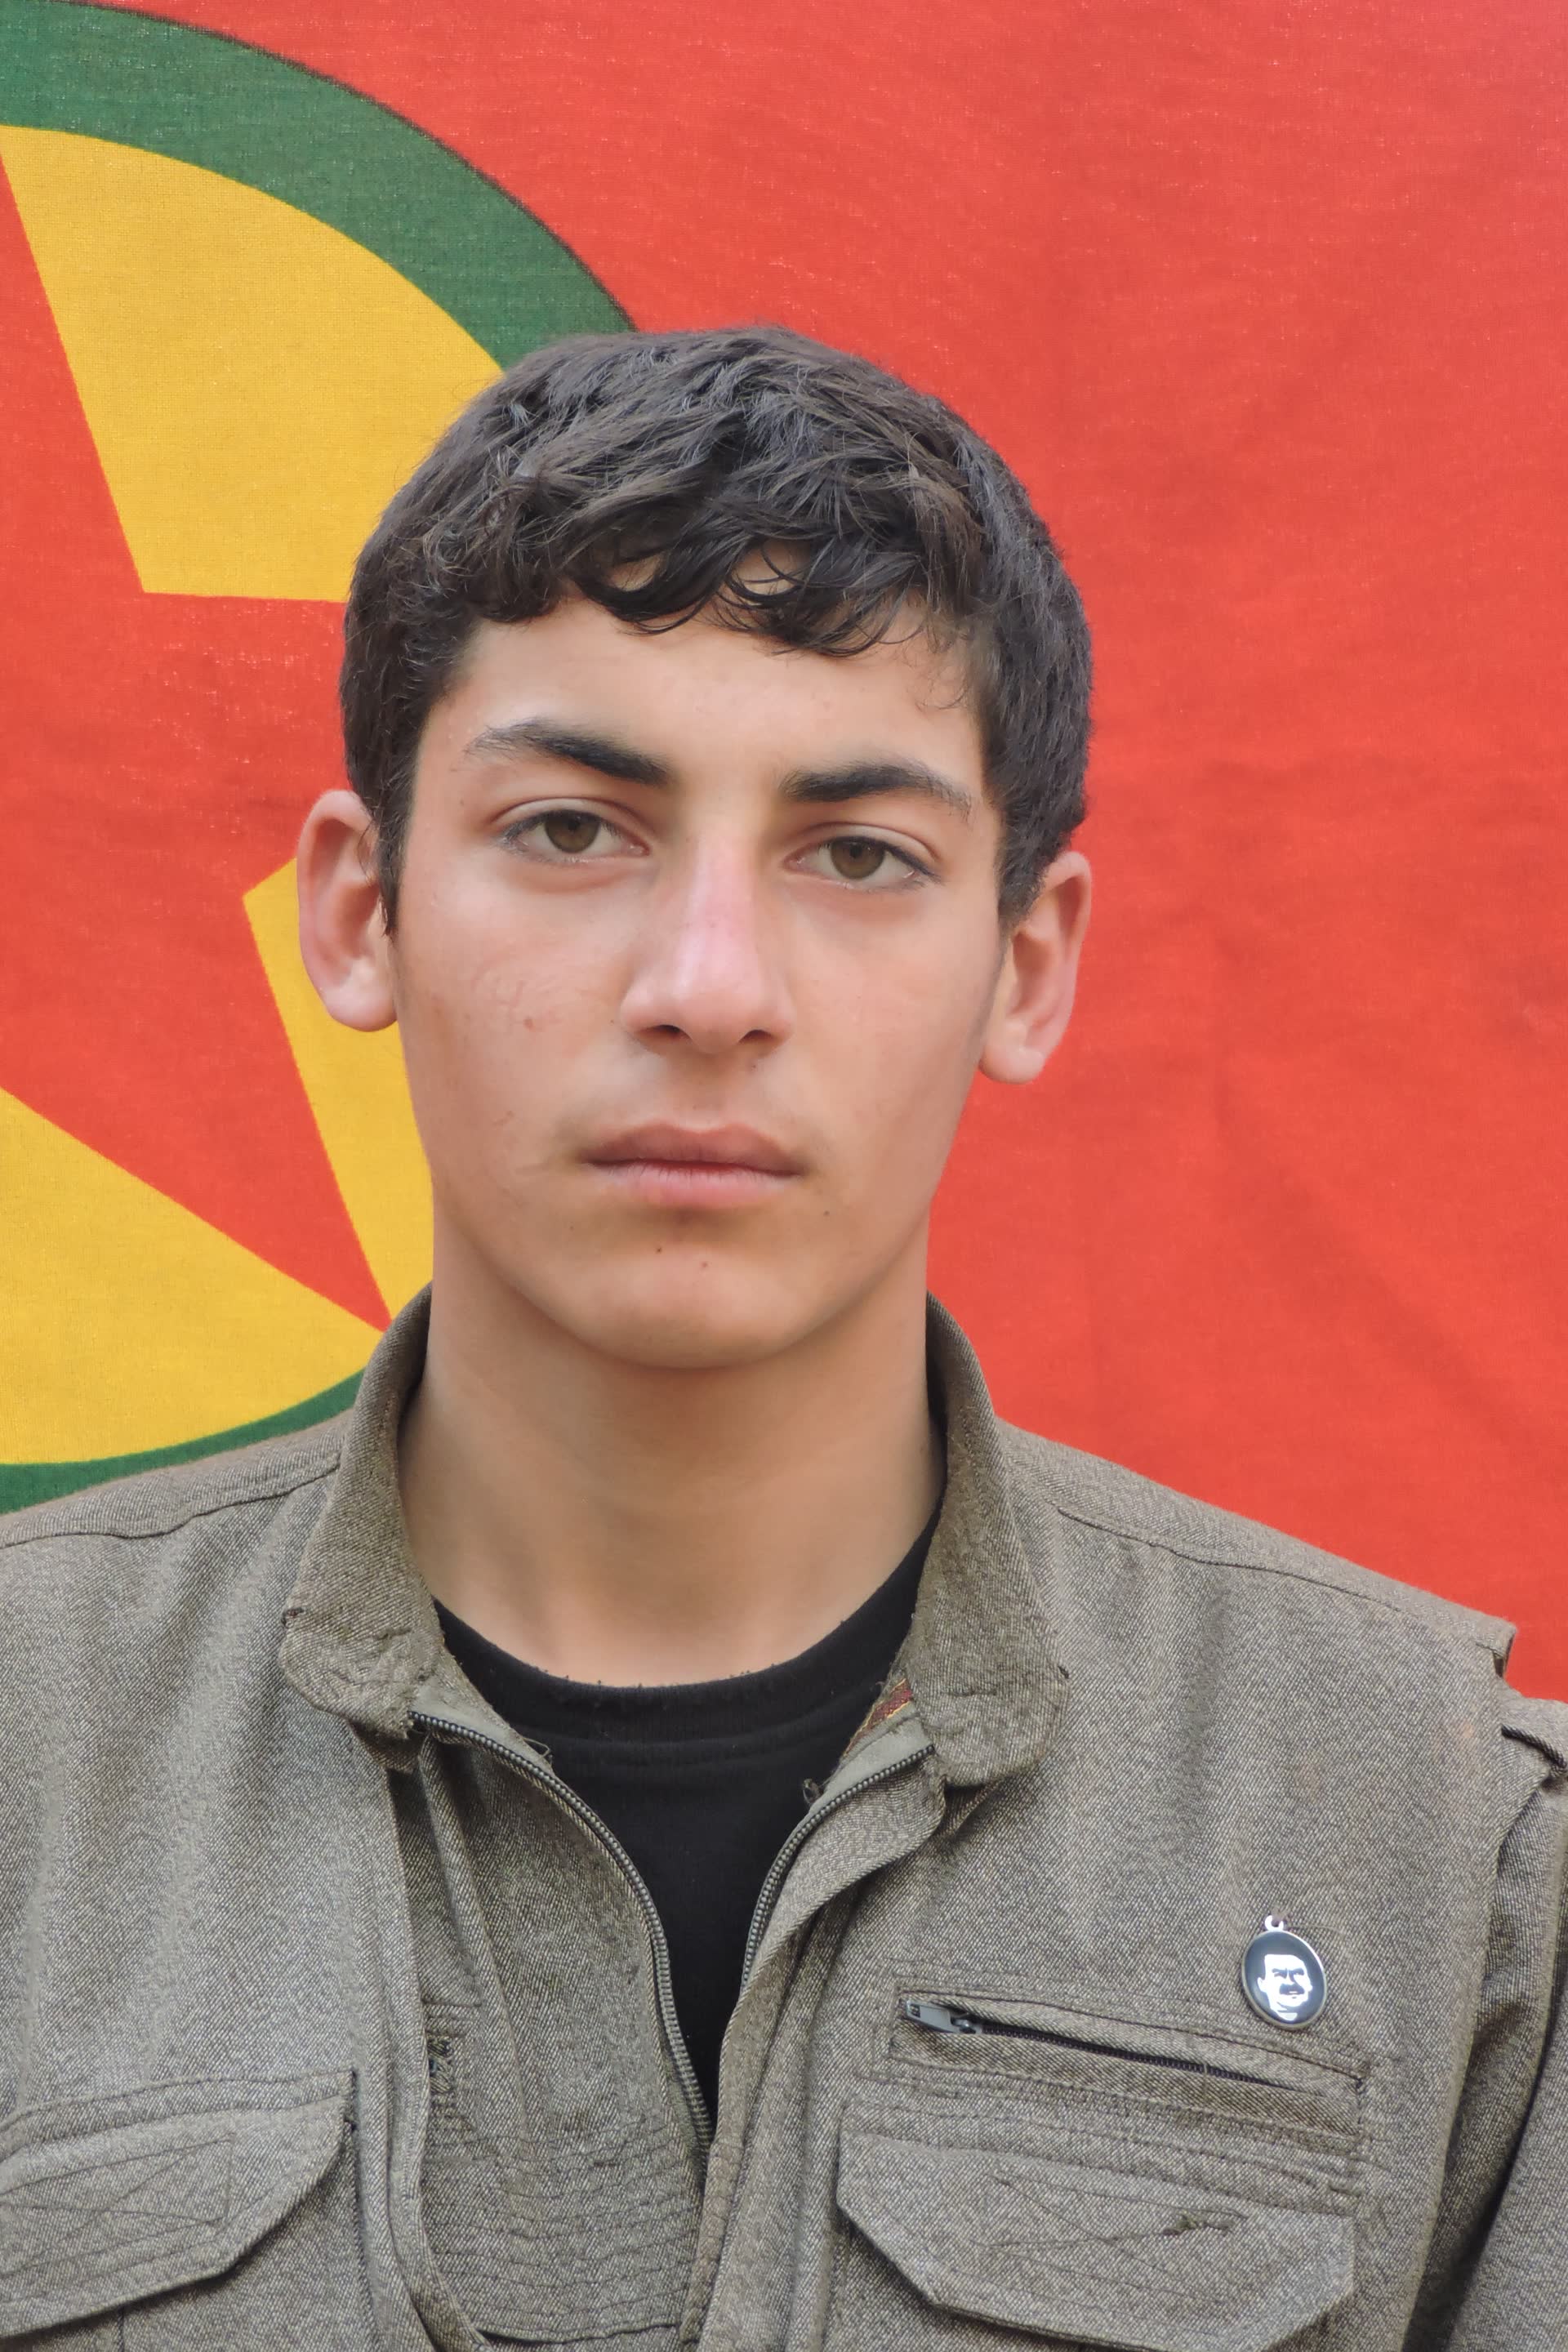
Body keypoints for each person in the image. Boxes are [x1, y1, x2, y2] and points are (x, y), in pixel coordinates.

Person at [1, 327, 1561, 2352]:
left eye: (858, 856)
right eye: (572, 828)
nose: (711, 983)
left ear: (1026, 965)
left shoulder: (1442, 1858)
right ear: (359, 909)